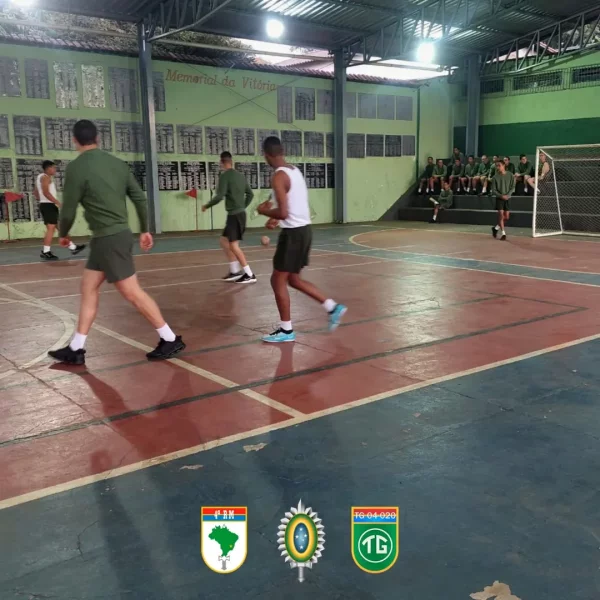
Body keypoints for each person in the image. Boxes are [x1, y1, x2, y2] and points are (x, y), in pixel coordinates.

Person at [48, 120, 185, 365]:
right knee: (88, 287)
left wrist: (64, 233)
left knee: (132, 292)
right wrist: (144, 229)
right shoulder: (118, 164)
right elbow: (139, 198)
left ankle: (170, 338)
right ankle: (76, 348)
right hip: (108, 238)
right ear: (97, 138)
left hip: (109, 239)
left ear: (74, 140)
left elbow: (68, 209)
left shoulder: (76, 168)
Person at [257, 136, 346, 343]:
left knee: (277, 280)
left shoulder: (278, 177)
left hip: (293, 235)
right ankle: (332, 307)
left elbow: (284, 212)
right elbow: (292, 205)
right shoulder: (294, 171)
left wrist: (262, 211)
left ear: (266, 155)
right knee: (294, 279)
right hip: (304, 231)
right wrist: (274, 219)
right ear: (282, 151)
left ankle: (286, 330)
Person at [202, 151, 256, 283]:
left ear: (221, 162)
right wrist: (242, 206)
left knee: (233, 245)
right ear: (232, 161)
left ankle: (249, 274)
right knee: (224, 241)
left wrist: (207, 205)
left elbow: (220, 196)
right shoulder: (241, 176)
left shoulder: (225, 176)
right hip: (238, 214)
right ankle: (234, 271)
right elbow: (250, 194)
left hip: (235, 215)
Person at [34, 160, 85, 261]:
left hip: (47, 205)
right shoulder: (45, 177)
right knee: (51, 228)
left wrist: (42, 201)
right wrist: (58, 203)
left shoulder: (40, 177)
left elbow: (36, 193)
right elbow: (46, 192)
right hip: (48, 205)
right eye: (54, 168)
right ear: (48, 168)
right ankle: (46, 252)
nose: (55, 170)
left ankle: (73, 247)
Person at [491, 159, 515, 241]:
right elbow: (493, 190)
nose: (498, 167)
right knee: (501, 215)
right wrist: (501, 196)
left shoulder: (510, 175)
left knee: (506, 217)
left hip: (508, 198)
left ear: (504, 165)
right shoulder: (495, 177)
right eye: (496, 166)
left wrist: (508, 195)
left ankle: (496, 228)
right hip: (499, 198)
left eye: (499, 165)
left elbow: (513, 187)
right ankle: (503, 233)